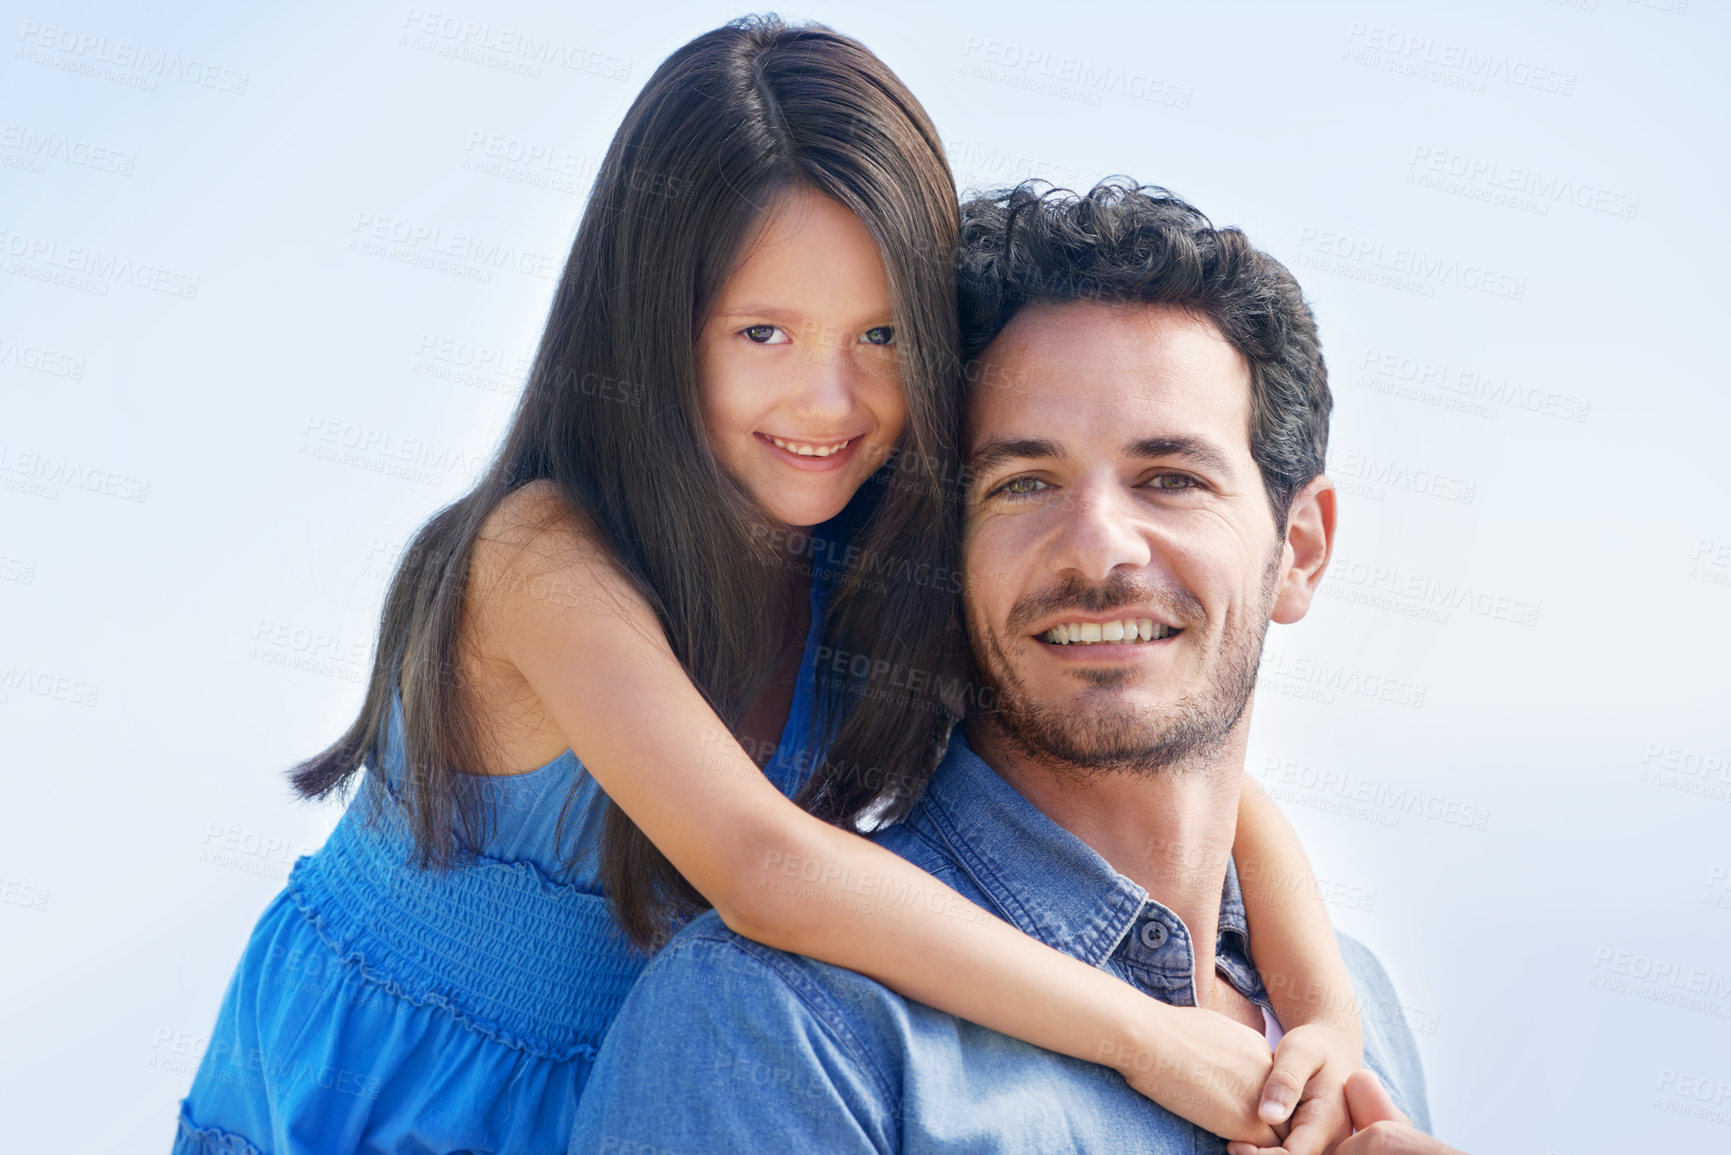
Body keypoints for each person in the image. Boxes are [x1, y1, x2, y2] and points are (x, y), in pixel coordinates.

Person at [174, 21, 1362, 1155]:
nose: (827, 403)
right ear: (655, 327)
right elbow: (765, 869)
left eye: (881, 337)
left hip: (610, 1094)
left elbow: (1220, 785)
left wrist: (1325, 1022)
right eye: (763, 334)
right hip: (367, 1100)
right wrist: (1146, 1039)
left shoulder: (863, 560)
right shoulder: (540, 560)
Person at [568, 182, 1470, 1154]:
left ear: (1300, 547)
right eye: (1023, 483)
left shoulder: (1352, 1008)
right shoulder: (781, 1024)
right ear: (942, 552)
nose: (1098, 550)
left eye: (1171, 479)